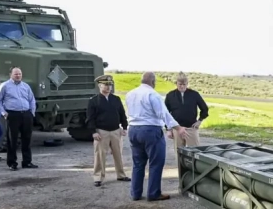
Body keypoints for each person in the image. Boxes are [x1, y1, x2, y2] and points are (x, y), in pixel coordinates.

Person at [125, 72, 186, 201]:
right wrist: (178, 128)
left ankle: (135, 193)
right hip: (150, 130)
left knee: (138, 163)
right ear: (153, 82)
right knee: (156, 162)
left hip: (133, 129)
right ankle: (153, 193)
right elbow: (163, 114)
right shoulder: (152, 94)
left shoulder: (130, 94)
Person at [86, 74, 130, 187]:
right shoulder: (94, 101)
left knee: (118, 154)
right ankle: (98, 177)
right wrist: (93, 132)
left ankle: (121, 174)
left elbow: (122, 114)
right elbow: (90, 118)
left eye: (110, 85)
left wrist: (125, 127)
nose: (108, 87)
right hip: (102, 131)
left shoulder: (116, 99)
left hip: (116, 131)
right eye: (106, 85)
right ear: (99, 86)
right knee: (100, 155)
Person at [0, 67, 38, 171]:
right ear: (10, 75)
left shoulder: (26, 86)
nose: (18, 76)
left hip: (26, 114)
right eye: (16, 74)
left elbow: (32, 100)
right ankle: (12, 163)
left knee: (27, 139)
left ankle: (27, 162)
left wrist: (31, 112)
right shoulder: (4, 86)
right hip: (13, 115)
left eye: (19, 74)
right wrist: (4, 113)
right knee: (12, 140)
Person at [164, 72, 209, 148]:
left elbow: (204, 108)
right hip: (177, 128)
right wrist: (168, 129)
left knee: (195, 151)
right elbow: (166, 113)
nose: (182, 86)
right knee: (179, 152)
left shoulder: (194, 94)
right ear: (176, 83)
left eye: (184, 84)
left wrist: (199, 121)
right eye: (180, 84)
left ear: (187, 83)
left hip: (191, 128)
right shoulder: (170, 95)